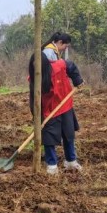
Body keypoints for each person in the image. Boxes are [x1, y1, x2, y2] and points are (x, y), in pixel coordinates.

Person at [29, 32, 84, 175]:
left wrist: (78, 81)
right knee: (49, 138)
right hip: (49, 109)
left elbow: (71, 66)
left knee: (68, 134)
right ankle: (52, 166)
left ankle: (71, 161)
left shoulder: (58, 65)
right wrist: (36, 115)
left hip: (64, 105)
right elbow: (33, 98)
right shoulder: (34, 78)